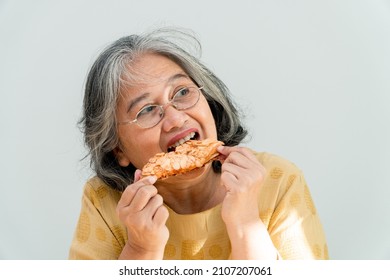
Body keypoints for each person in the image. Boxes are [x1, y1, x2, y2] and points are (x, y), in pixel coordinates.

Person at [69, 28, 328, 260]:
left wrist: (246, 225)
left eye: (182, 92)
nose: (175, 119)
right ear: (117, 148)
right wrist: (141, 250)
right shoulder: (104, 201)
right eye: (147, 109)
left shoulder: (278, 182)